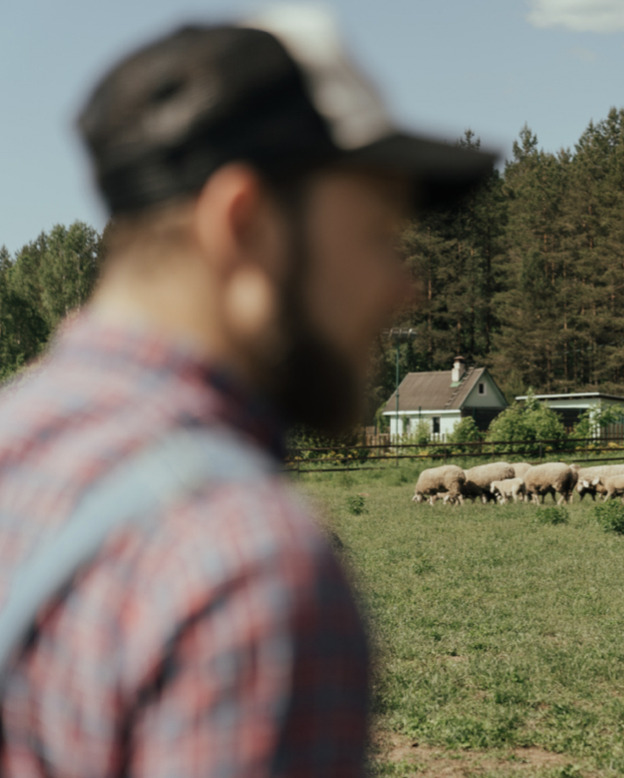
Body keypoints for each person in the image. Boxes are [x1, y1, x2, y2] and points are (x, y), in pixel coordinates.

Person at [0, 7, 495, 776]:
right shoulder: (246, 572)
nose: (406, 287)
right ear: (246, 223)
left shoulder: (20, 448)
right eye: (375, 235)